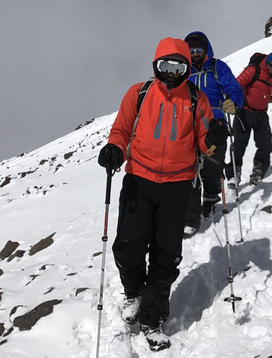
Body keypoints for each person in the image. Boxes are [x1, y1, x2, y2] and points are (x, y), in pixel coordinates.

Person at [97, 37, 228, 351]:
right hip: (139, 181)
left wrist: (214, 138)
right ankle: (134, 293)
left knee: (165, 256)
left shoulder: (195, 99)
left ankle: (153, 319)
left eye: (178, 66)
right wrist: (114, 149)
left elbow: (204, 145)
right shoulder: (139, 93)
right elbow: (122, 129)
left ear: (185, 68)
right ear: (156, 65)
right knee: (127, 248)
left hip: (177, 186)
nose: (171, 73)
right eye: (165, 66)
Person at [183, 31, 245, 235]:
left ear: (205, 49)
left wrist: (234, 102)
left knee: (212, 168)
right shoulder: (184, 71)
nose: (195, 53)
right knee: (189, 169)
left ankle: (210, 199)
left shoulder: (217, 67)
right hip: (189, 126)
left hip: (214, 125)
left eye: (198, 49)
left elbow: (233, 87)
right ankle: (190, 218)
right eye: (191, 49)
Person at [227, 50, 272, 185]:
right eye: (271, 65)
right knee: (239, 144)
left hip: (261, 114)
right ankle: (234, 173)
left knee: (265, 145)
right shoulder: (254, 70)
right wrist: (232, 100)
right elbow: (236, 85)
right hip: (244, 112)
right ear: (267, 61)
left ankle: (258, 171)